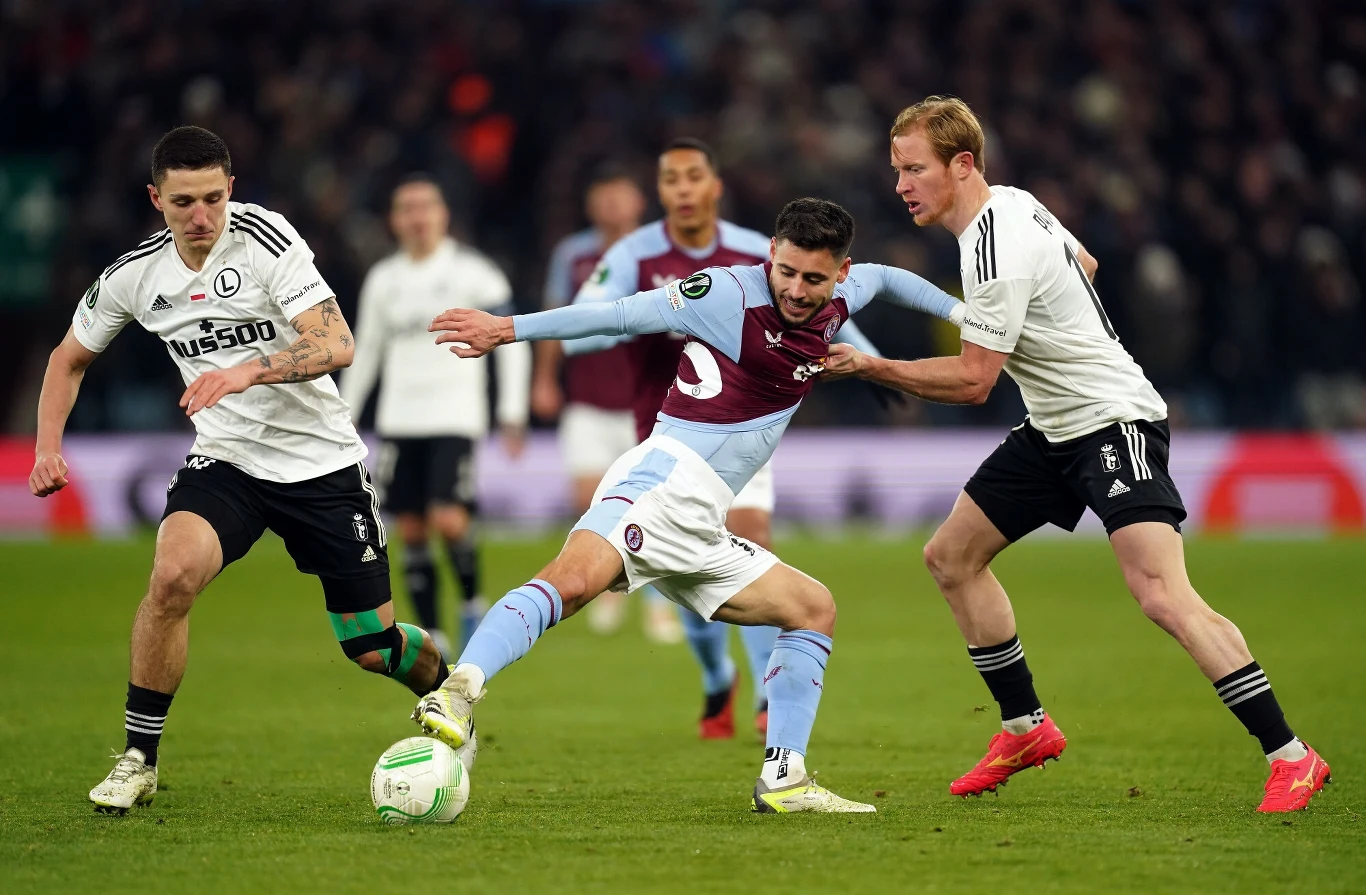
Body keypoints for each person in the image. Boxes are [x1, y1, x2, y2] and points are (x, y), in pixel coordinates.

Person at [824, 96, 1329, 813]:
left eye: (914, 169)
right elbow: (1082, 265)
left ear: (962, 165)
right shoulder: (1014, 204)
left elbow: (973, 381)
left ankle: (1294, 755)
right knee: (951, 556)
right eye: (898, 169)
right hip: (1054, 426)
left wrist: (871, 367)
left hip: (1112, 421)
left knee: (1161, 594)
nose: (900, 185)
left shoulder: (994, 246)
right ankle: (1025, 726)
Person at [416, 197, 967, 813]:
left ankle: (784, 780)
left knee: (812, 609)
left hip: (704, 517)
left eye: (813, 278)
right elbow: (620, 314)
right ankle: (459, 690)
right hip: (662, 481)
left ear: (841, 272)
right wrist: (506, 328)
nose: (795, 288)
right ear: (771, 255)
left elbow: (890, 278)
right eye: (785, 271)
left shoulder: (845, 294)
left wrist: (963, 313)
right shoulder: (724, 292)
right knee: (569, 585)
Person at [29, 126, 450, 814]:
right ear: (155, 198)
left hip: (321, 464)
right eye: (184, 202)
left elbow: (337, 341)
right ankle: (139, 758)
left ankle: (447, 687)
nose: (201, 217)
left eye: (214, 198)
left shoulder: (266, 240)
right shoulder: (136, 275)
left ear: (233, 189)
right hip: (228, 459)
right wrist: (49, 446)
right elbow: (66, 358)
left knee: (372, 645)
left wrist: (246, 371)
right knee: (171, 576)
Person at [567, 138, 883, 739]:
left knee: (754, 539)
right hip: (665, 428)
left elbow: (829, 308)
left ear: (714, 186)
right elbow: (588, 323)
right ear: (659, 193)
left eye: (693, 177)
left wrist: (874, 365)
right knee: (676, 566)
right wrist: (662, 318)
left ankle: (769, 697)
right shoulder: (635, 252)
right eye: (670, 179)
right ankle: (717, 677)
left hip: (746, 423)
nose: (682, 189)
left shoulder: (751, 250)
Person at [341, 174, 531, 655]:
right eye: (407, 208)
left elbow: (510, 344)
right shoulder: (384, 279)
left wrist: (512, 411)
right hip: (399, 420)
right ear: (394, 219)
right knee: (410, 528)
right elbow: (366, 352)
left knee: (449, 519)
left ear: (443, 214)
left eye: (426, 206)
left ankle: (471, 603)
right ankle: (435, 635)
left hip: (454, 416)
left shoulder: (475, 273)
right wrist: (342, 413)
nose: (418, 216)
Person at [530, 168, 680, 641]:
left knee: (652, 505)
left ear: (639, 201)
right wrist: (544, 380)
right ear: (591, 205)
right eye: (603, 197)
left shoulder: (663, 253)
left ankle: (658, 602)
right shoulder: (572, 255)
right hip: (589, 398)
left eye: (620, 196)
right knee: (588, 499)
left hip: (651, 399)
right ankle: (609, 590)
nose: (612, 205)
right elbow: (556, 317)